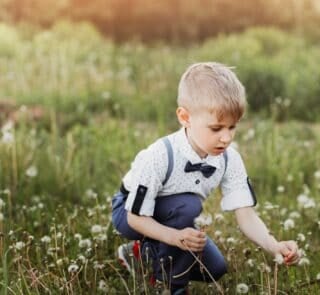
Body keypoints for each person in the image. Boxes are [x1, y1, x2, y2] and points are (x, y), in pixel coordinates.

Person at [111, 62, 300, 294]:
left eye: (232, 127)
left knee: (215, 268)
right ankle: (172, 287)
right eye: (216, 128)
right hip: (131, 213)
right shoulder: (160, 155)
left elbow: (246, 215)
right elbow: (135, 218)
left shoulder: (229, 159)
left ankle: (142, 254)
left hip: (175, 216)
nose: (226, 138)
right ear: (185, 117)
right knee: (187, 206)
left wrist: (274, 245)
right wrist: (174, 237)